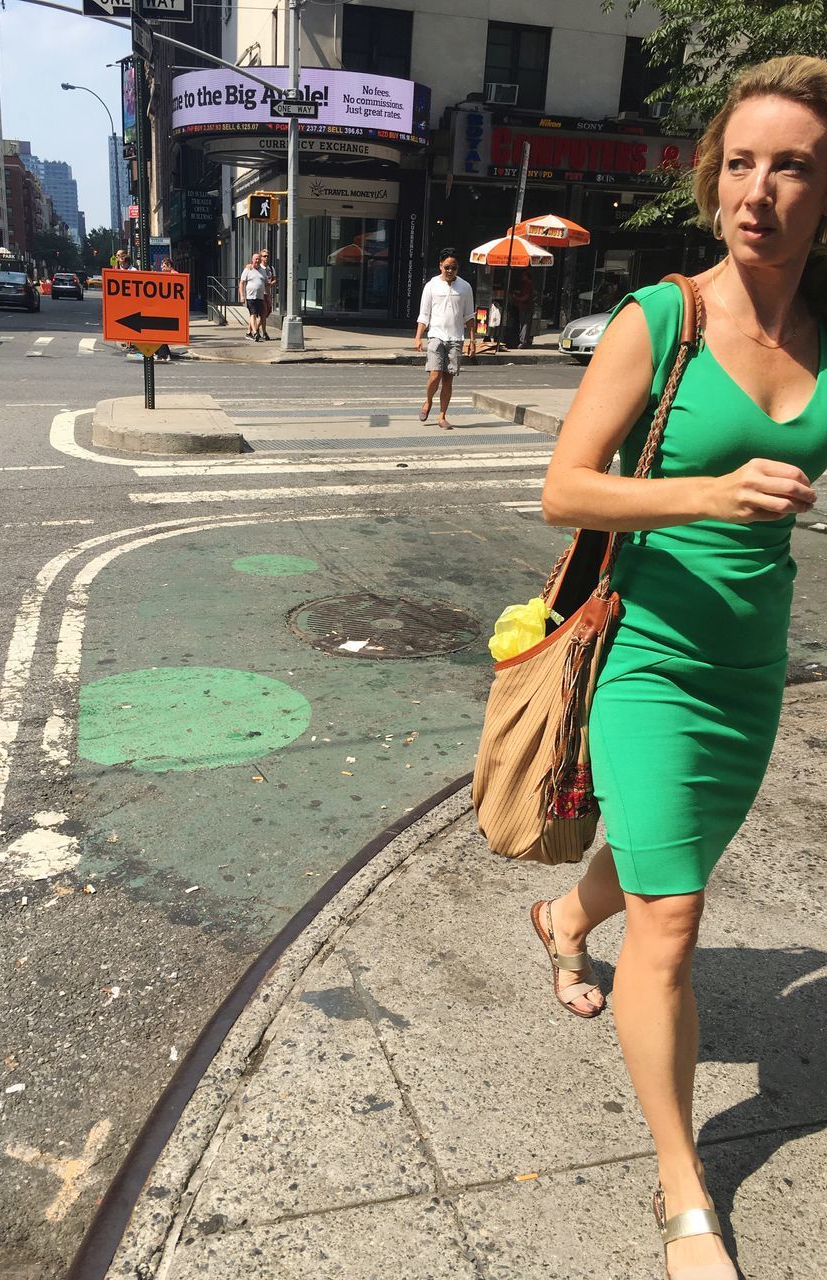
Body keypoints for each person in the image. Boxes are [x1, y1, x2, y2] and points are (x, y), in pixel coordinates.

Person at [535, 55, 827, 1279]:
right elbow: (564, 490)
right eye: (741, 164)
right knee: (675, 916)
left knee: (668, 865)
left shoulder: (821, 333)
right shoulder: (663, 318)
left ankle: (559, 914)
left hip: (752, 667)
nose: (758, 190)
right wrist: (706, 491)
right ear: (716, 183)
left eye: (793, 166)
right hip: (652, 656)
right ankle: (683, 1190)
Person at [413, 250, 475, 429]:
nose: (450, 271)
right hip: (436, 336)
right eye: (447, 267)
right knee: (435, 375)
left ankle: (442, 416)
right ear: (440, 265)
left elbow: (469, 316)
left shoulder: (465, 287)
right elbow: (424, 314)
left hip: (456, 338)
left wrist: (472, 340)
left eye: (454, 268)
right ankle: (428, 400)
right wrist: (418, 337)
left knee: (448, 379)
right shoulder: (431, 286)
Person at [239, 252, 267, 341]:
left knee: (261, 315)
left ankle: (249, 332)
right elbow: (242, 283)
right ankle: (255, 333)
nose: (257, 260)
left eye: (259, 259)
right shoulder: (248, 269)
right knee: (253, 314)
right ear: (252, 260)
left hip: (260, 297)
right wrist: (242, 296)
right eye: (256, 259)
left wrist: (268, 293)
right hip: (251, 297)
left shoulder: (263, 271)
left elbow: (266, 283)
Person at [508, 268, 535, 347]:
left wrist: (516, 298)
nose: (522, 277)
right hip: (525, 307)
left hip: (525, 307)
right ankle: (524, 341)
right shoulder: (527, 284)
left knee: (524, 324)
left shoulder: (527, 284)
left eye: (523, 276)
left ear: (527, 276)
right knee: (524, 324)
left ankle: (523, 341)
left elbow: (526, 297)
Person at [155, 256, 175, 362]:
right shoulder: (165, 275)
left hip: (169, 309)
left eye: (163, 266)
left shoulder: (174, 275)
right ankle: (163, 353)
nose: (161, 268)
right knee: (159, 331)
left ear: (169, 266)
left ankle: (162, 354)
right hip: (164, 308)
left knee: (160, 331)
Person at [259, 248, 277, 339]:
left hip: (268, 293)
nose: (266, 258)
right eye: (264, 256)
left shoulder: (271, 268)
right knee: (263, 312)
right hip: (260, 294)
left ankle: (255, 328)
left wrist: (271, 284)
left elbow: (274, 280)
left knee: (268, 312)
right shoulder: (258, 268)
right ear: (261, 257)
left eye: (267, 256)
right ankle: (264, 332)